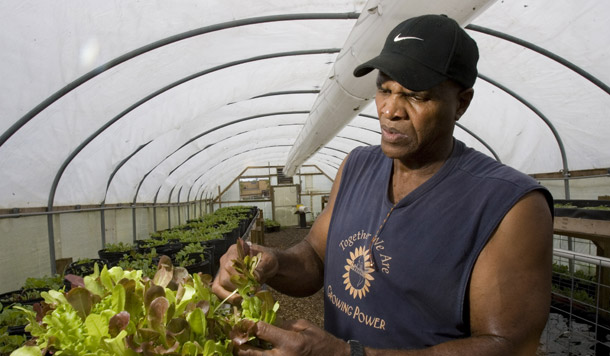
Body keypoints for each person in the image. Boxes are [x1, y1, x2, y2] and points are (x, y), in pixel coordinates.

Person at [213, 14, 554, 356]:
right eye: (384, 88)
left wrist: (349, 354)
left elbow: (508, 346)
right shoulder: (356, 166)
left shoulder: (507, 205)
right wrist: (274, 261)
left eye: (415, 96)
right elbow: (316, 258)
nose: (390, 110)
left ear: (461, 103)